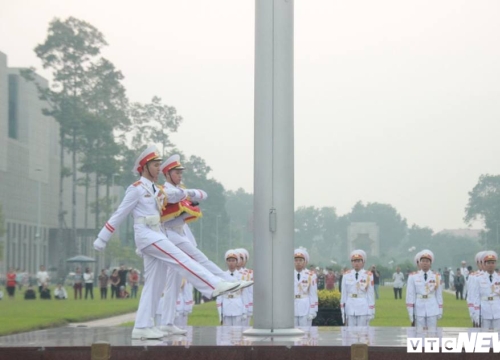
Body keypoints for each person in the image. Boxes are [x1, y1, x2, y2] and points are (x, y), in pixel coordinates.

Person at [93, 145, 249, 339]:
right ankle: (213, 285)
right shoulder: (136, 189)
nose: (159, 168)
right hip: (146, 234)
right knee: (181, 258)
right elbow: (120, 213)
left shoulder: (156, 189)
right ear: (144, 167)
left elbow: (176, 194)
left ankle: (142, 325)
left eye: (160, 165)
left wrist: (190, 193)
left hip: (156, 232)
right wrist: (102, 238)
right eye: (156, 165)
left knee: (154, 283)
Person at [157, 154, 248, 336]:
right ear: (167, 174)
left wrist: (187, 195)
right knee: (198, 258)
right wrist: (186, 198)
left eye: (181, 172)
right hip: (168, 233)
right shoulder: (162, 191)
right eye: (177, 172)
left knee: (173, 283)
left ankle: (167, 321)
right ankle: (226, 280)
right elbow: (171, 205)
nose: (180, 175)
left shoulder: (180, 189)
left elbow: (203, 194)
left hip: (180, 232)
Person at [406, 249, 443, 330]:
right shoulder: (413, 276)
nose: (424, 263)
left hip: (432, 307)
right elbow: (410, 295)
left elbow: (438, 294)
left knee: (432, 332)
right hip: (419, 307)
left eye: (427, 261)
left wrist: (440, 309)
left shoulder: (436, 276)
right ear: (419, 263)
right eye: (422, 261)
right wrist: (410, 311)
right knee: (419, 333)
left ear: (430, 263)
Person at [340, 249, 375, 327]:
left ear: (363, 262)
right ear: (351, 263)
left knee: (363, 334)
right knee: (351, 334)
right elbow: (344, 294)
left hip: (363, 306)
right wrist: (343, 310)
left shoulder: (368, 275)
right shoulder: (346, 275)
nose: (356, 263)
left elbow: (370, 294)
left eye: (359, 261)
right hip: (350, 306)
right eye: (354, 261)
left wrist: (371, 310)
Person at [217, 250, 248, 326]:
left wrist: (244, 311)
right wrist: (220, 314)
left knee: (237, 333)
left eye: (233, 260)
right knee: (226, 333)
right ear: (226, 262)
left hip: (237, 307)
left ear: (236, 262)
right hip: (226, 307)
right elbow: (219, 296)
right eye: (229, 260)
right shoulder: (222, 276)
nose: (231, 263)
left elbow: (244, 295)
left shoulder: (241, 276)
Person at [471, 251, 500, 330]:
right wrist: (476, 313)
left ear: (495, 264)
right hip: (484, 310)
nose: (491, 265)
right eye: (489, 263)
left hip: (497, 311)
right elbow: (476, 297)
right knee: (485, 336)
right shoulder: (479, 278)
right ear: (485, 264)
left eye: (493, 263)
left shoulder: (499, 277)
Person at [293, 248, 318, 327]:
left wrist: (313, 311)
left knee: (305, 332)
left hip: (305, 306)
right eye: (296, 260)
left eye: (300, 260)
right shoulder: (288, 274)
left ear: (305, 262)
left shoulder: (310, 275)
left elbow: (313, 294)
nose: (298, 262)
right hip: (292, 306)